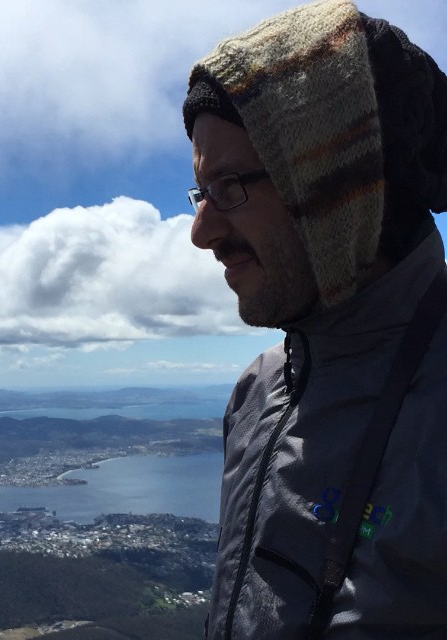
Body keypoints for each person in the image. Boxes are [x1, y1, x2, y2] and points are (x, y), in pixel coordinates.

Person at [182, 0, 447, 638]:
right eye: (200, 191)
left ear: (331, 193)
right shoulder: (260, 387)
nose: (201, 231)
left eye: (230, 188)